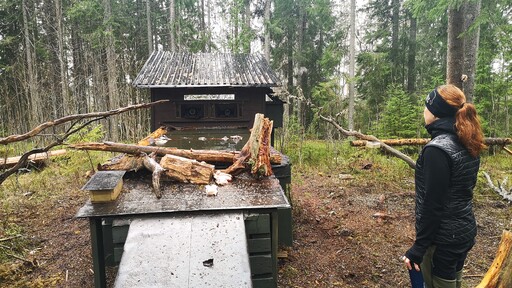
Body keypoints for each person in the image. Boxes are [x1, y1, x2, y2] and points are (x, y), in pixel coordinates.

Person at [402, 84, 486, 288]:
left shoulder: (436, 150)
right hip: (463, 232)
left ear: (436, 112)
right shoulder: (467, 140)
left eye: (426, 106)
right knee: (453, 282)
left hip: (442, 241)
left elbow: (433, 204)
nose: (424, 111)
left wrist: (419, 247)